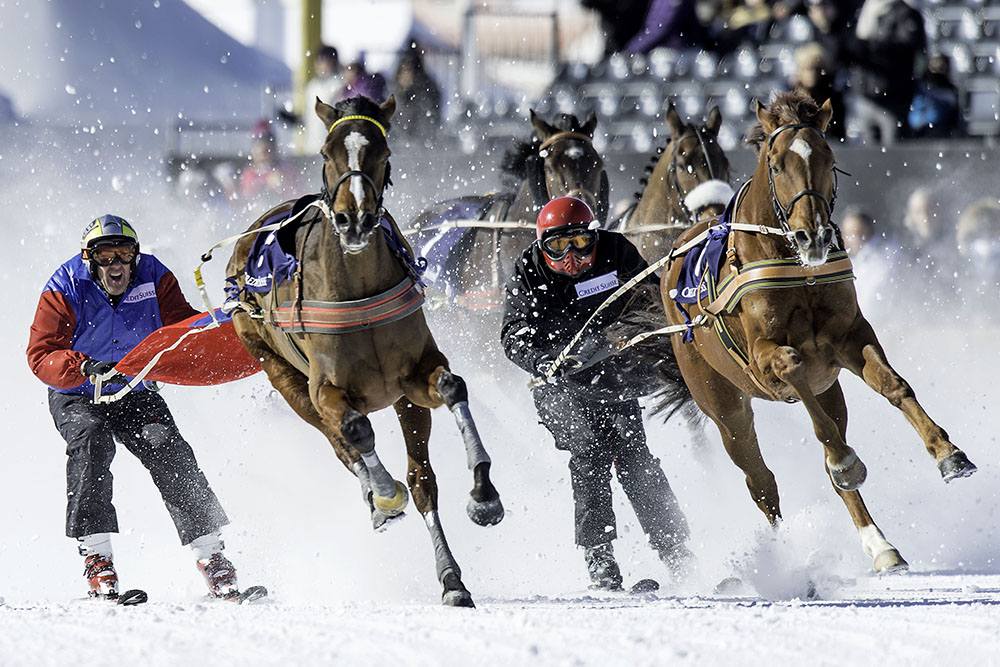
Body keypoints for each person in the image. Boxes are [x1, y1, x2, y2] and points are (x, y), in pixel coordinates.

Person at [27, 215, 247, 601]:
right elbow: (41, 353)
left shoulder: (153, 276)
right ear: (89, 260)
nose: (117, 265)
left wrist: (230, 324)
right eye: (106, 256)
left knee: (171, 452)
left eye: (125, 254)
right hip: (77, 390)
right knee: (92, 444)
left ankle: (212, 556)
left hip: (131, 386)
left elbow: (184, 326)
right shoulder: (65, 287)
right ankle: (97, 559)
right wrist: (80, 365)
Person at [501, 196, 692, 591]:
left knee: (635, 457)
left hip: (615, 376)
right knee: (590, 454)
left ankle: (677, 554)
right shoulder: (527, 271)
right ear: (542, 245)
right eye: (557, 246)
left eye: (580, 243)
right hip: (559, 383)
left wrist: (625, 334)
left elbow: (653, 298)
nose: (570, 255)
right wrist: (544, 361)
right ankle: (599, 557)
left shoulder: (617, 251)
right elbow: (513, 335)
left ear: (594, 238)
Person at [846, 0, 926, 145]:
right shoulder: (864, 10)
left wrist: (871, 45)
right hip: (866, 94)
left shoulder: (905, 13)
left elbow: (906, 48)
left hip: (894, 98)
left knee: (893, 152)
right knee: (866, 153)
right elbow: (851, 48)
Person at [238, 119, 298, 201]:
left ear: (275, 148)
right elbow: (242, 205)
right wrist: (229, 188)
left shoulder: (287, 171)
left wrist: (284, 185)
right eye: (259, 146)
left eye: (267, 149)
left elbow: (300, 198)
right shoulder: (248, 174)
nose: (263, 151)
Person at [392, 44, 442, 138]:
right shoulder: (395, 91)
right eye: (404, 71)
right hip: (403, 138)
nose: (406, 75)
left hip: (419, 138)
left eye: (409, 71)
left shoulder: (423, 93)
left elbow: (426, 120)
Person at [304, 45, 344, 150]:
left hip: (333, 143)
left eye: (325, 61)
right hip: (313, 144)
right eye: (319, 61)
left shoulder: (340, 84)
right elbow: (310, 116)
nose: (322, 65)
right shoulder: (312, 86)